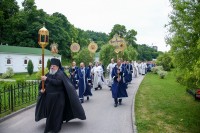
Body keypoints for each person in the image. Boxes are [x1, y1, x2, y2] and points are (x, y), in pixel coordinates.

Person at [35, 58, 86, 133]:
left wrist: (47, 79)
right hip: (49, 98)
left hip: (58, 98)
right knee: (50, 114)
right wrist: (42, 90)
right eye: (51, 66)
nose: (52, 67)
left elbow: (58, 83)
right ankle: (49, 127)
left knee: (57, 114)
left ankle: (56, 129)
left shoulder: (60, 74)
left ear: (58, 67)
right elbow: (42, 85)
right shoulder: (48, 74)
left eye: (54, 66)